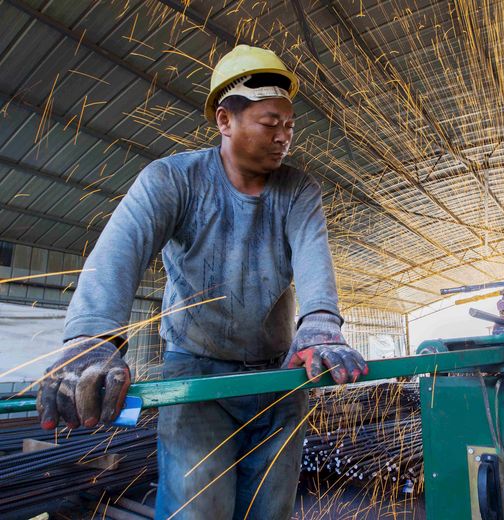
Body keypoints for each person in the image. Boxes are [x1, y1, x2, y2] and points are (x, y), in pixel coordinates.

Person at [35, 45, 367, 519]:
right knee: (198, 511)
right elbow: (119, 251)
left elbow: (315, 259)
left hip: (279, 376)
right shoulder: (173, 180)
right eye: (270, 125)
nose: (283, 138)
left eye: (289, 128)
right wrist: (92, 336)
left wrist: (319, 325)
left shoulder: (299, 190)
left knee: (269, 510)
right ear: (224, 120)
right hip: (196, 378)